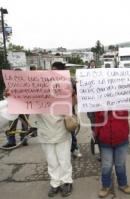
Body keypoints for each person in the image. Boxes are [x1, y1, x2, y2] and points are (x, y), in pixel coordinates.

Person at [31, 62, 74, 197]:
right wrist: (10, 95)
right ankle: (55, 183)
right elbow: (21, 101)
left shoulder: (65, 87)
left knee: (64, 158)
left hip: (61, 129)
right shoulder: (36, 89)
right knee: (51, 160)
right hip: (44, 131)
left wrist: (71, 95)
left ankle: (67, 181)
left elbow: (73, 104)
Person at [94, 110, 130, 198]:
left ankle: (123, 184)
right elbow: (97, 119)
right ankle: (105, 186)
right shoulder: (100, 103)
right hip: (105, 139)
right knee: (106, 165)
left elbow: (126, 113)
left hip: (121, 137)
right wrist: (96, 133)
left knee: (120, 164)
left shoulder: (122, 101)